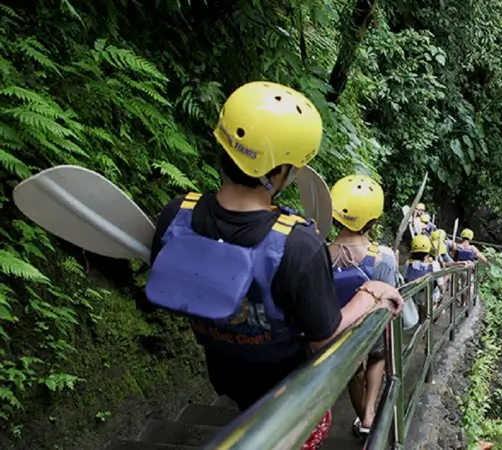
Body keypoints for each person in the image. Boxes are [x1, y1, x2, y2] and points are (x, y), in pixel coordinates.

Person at [143, 82, 404, 450]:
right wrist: (369, 295)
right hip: (288, 390)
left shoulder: (176, 214)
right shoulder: (298, 245)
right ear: (281, 170)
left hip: (224, 371)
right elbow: (325, 337)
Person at [327, 174, 397, 437]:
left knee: (354, 370)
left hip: (339, 327)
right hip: (371, 326)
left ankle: (362, 417)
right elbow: (390, 299)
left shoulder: (320, 253)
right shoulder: (384, 258)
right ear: (373, 219)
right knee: (378, 356)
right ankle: (370, 414)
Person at [405, 235, 445, 320]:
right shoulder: (434, 264)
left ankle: (422, 322)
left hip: (416, 296)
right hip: (431, 296)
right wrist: (443, 293)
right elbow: (441, 284)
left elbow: (406, 277)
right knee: (435, 308)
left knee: (422, 314)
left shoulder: (408, 263)